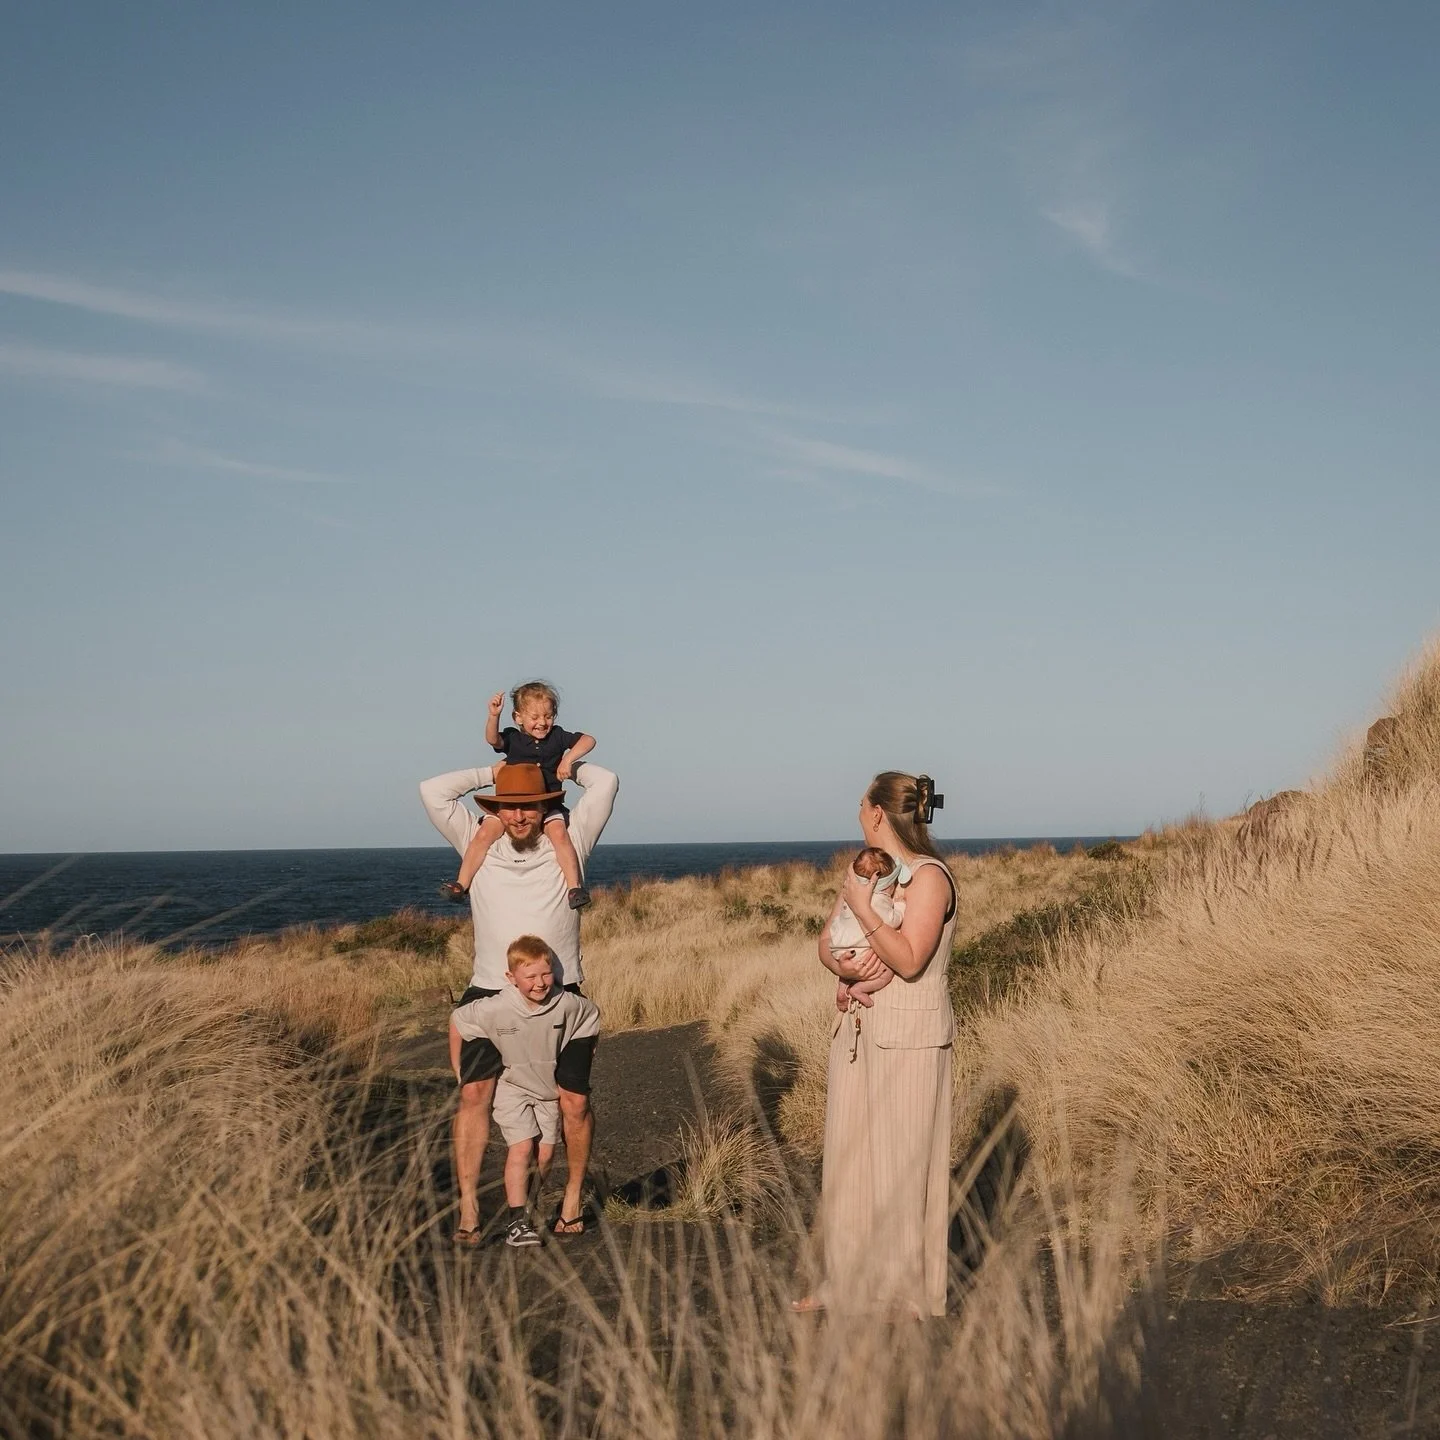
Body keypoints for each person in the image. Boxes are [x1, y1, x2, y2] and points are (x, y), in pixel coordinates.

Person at [419, 755, 618, 1244]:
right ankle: (468, 1209)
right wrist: (497, 772)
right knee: (473, 1096)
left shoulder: (570, 841)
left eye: (528, 805)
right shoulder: (475, 839)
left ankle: (567, 1201)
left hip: (561, 993)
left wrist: (561, 765)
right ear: (496, 809)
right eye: (508, 806)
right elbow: (432, 789)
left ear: (545, 804)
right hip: (490, 989)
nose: (519, 816)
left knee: (572, 1102)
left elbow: (607, 781)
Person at [795, 772, 959, 1319]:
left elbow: (911, 959)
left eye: (862, 803)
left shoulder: (930, 878)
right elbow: (824, 941)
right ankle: (846, 1284)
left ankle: (904, 1294)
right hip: (857, 1031)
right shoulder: (860, 871)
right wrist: (842, 968)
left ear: (878, 813)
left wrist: (865, 912)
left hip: (910, 1037)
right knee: (850, 1160)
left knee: (902, 1167)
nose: (859, 811)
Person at [449, 935, 601, 1247]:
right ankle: (516, 1222)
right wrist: (459, 1070)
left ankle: (527, 1212)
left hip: (545, 1090)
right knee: (520, 1148)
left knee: (544, 1153)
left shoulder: (568, 1003)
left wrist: (588, 1047)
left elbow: (590, 1017)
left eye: (545, 974)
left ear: (555, 974)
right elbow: (459, 1019)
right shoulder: (497, 1006)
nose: (540, 983)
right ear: (511, 978)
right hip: (513, 1089)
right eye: (530, 976)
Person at [445, 681, 596, 909]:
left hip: (547, 803)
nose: (542, 722)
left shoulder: (557, 736)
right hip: (510, 803)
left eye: (548, 716)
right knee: (484, 834)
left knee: (560, 835)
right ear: (518, 717)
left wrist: (568, 759)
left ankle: (574, 887)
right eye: (534, 717)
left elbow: (588, 740)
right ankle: (461, 884)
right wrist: (493, 715)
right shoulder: (514, 738)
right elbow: (493, 740)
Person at [828, 847, 907, 1012]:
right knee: (887, 972)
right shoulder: (879, 899)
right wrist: (900, 905)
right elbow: (892, 921)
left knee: (847, 971)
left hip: (839, 949)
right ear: (888, 885)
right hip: (862, 952)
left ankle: (843, 988)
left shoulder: (851, 895)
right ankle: (860, 989)